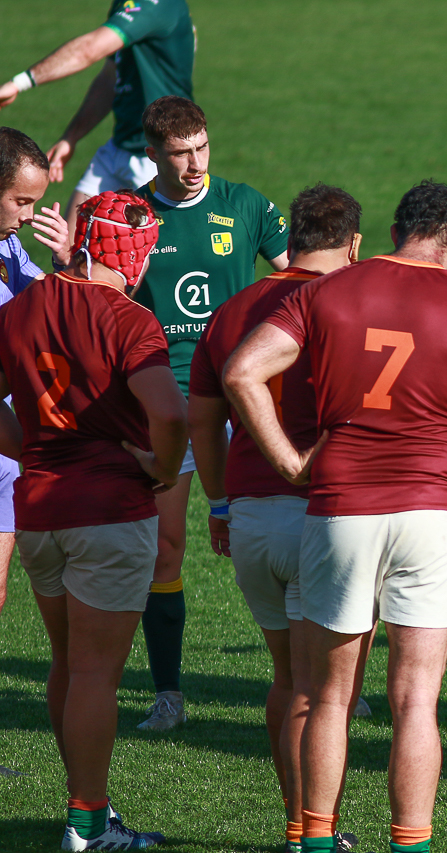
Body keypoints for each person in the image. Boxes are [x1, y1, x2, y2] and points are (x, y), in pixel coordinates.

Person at [224, 180, 447, 853]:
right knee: (417, 703)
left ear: (394, 231)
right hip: (433, 517)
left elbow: (243, 371)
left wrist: (290, 462)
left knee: (329, 698)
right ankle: (410, 844)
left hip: (341, 511)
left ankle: (316, 841)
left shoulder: (327, 292)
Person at [0, 190, 186, 849]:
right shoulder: (130, 320)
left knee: (67, 664)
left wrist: (27, 448)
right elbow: (171, 413)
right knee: (94, 674)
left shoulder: (19, 308)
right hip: (107, 511)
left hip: (39, 511)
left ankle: (86, 811)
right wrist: (164, 468)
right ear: (132, 252)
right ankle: (86, 824)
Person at [188, 184, 364, 852]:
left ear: (291, 238)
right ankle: (314, 833)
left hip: (252, 514)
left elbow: (203, 422)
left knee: (287, 679)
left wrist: (219, 502)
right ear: (353, 243)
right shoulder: (349, 303)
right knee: (323, 692)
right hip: (324, 514)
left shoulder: (232, 310)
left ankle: (298, 826)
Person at [131, 94, 290, 732]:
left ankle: (312, 678)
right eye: (180, 153)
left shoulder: (245, 204)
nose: (195, 163)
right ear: (153, 154)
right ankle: (168, 694)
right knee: (165, 549)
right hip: (168, 400)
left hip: (242, 394)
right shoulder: (132, 216)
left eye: (201, 147)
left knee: (283, 531)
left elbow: (304, 284)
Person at [0, 0, 195, 237]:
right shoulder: (125, 4)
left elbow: (89, 49)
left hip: (157, 155)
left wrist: (18, 83)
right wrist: (71, 136)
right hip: (119, 146)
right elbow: (110, 79)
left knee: (156, 252)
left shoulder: (156, 4)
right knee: (71, 243)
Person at [0, 127, 72, 614]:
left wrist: (68, 262)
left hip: (7, 448)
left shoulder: (8, 247)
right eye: (21, 201)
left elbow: (56, 306)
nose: (29, 217)